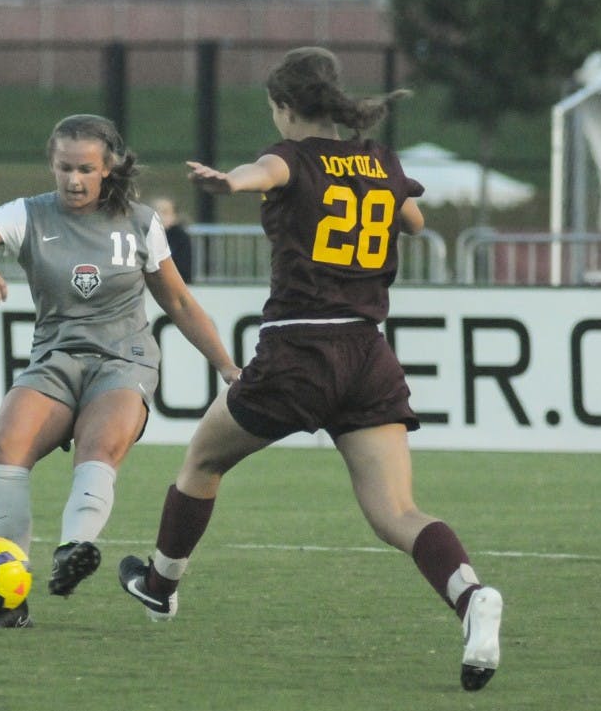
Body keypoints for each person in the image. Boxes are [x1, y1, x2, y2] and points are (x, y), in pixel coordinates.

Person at [117, 47, 503, 692]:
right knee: (397, 512)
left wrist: (228, 183)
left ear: (287, 107)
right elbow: (414, 218)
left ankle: (160, 585)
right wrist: (385, 198)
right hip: (367, 352)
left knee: (203, 462)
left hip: (299, 353)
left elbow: (260, 173)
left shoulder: (289, 157)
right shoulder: (379, 158)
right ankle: (471, 597)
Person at [0, 114, 240, 629]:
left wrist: (227, 366)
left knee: (100, 444)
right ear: (51, 163)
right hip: (55, 360)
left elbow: (177, 300)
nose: (73, 179)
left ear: (107, 168)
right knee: (7, 443)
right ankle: (8, 598)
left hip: (123, 360)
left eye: (86, 169)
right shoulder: (27, 216)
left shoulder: (141, 222)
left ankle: (75, 549)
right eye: (64, 167)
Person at [150, 196, 193, 283]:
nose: (159, 216)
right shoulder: (142, 235)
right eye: (154, 212)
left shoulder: (180, 237)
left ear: (174, 216)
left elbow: (182, 269)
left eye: (165, 212)